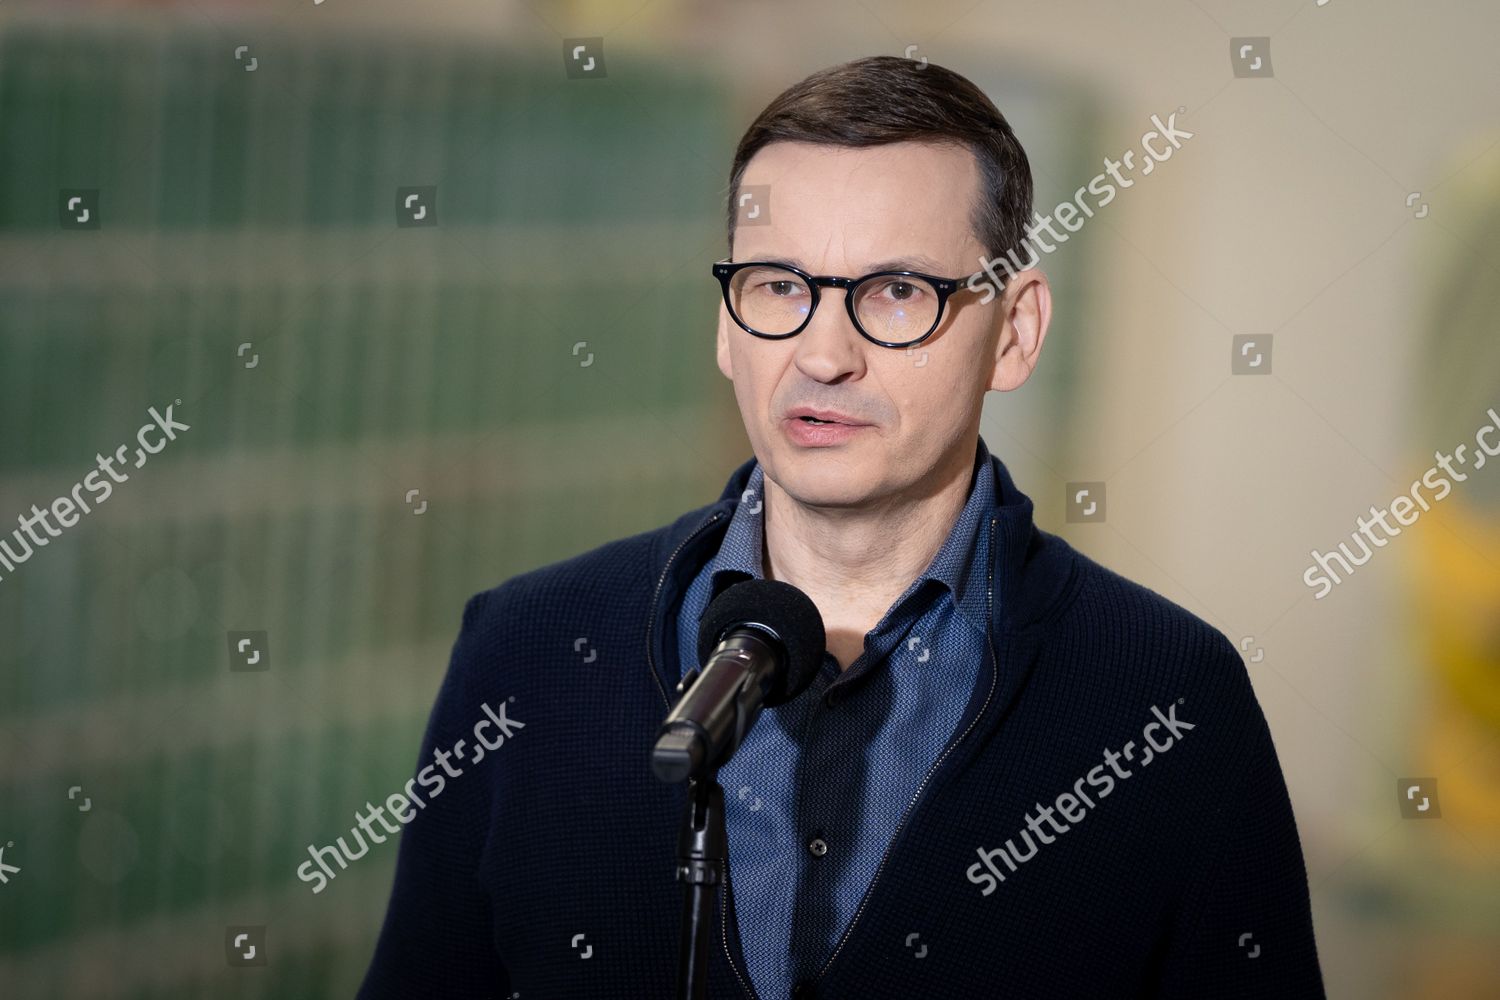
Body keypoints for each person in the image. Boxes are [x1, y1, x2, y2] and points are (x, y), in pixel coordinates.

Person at [359, 55, 1324, 999]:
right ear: (726, 326)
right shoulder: (525, 652)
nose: (825, 355)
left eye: (898, 292)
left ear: (1016, 333)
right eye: (780, 286)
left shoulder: (1166, 699)